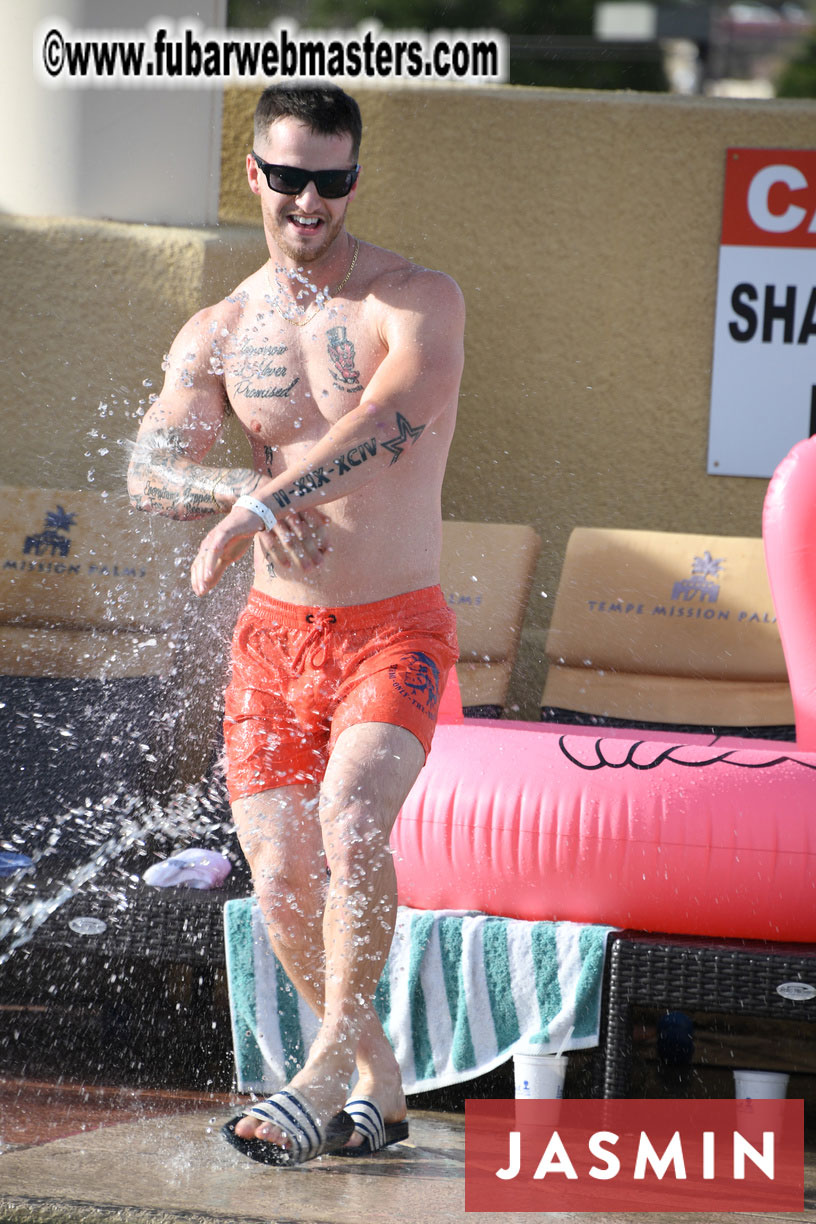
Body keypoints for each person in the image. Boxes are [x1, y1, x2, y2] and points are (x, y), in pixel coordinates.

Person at [127, 83, 464, 1165]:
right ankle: (380, 1078)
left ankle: (317, 1078)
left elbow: (393, 419)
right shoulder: (221, 327)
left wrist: (269, 502)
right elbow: (148, 464)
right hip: (274, 639)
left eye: (334, 179)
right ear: (255, 176)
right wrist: (236, 484)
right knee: (276, 869)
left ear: (354, 181)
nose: (310, 200)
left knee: (354, 820)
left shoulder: (416, 299)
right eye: (289, 177)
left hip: (392, 629)